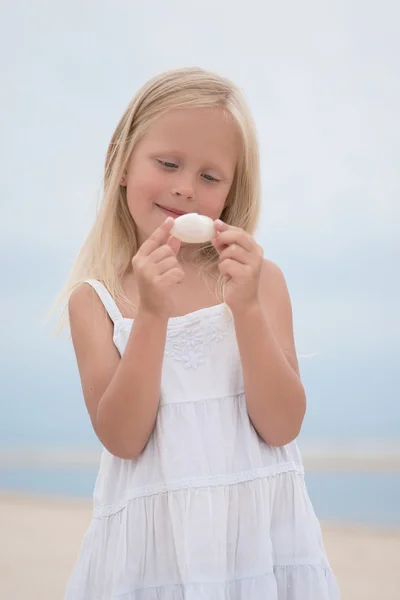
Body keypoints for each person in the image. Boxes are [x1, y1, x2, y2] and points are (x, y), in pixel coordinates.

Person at [62, 67, 340, 599]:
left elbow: (282, 426)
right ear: (120, 161)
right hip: (155, 559)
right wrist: (151, 315)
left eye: (211, 177)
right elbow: (123, 438)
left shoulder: (260, 281)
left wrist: (249, 313)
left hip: (261, 548)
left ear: (232, 193)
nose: (185, 187)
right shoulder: (94, 301)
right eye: (167, 164)